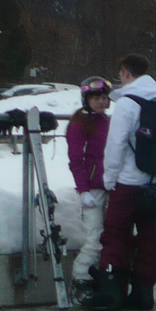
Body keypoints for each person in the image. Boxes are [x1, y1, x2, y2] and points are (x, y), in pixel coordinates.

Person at [94, 54, 156, 311]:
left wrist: (109, 180)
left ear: (126, 73)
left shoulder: (127, 104)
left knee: (116, 234)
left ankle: (113, 294)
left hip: (128, 183)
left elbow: (116, 145)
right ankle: (143, 294)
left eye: (121, 74)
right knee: (148, 236)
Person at [66, 77, 112, 289]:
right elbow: (76, 160)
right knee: (95, 237)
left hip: (110, 185)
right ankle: (80, 278)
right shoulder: (79, 124)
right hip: (92, 188)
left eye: (104, 98)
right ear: (86, 99)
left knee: (109, 237)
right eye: (96, 98)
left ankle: (101, 277)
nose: (102, 102)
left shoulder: (107, 121)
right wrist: (83, 190)